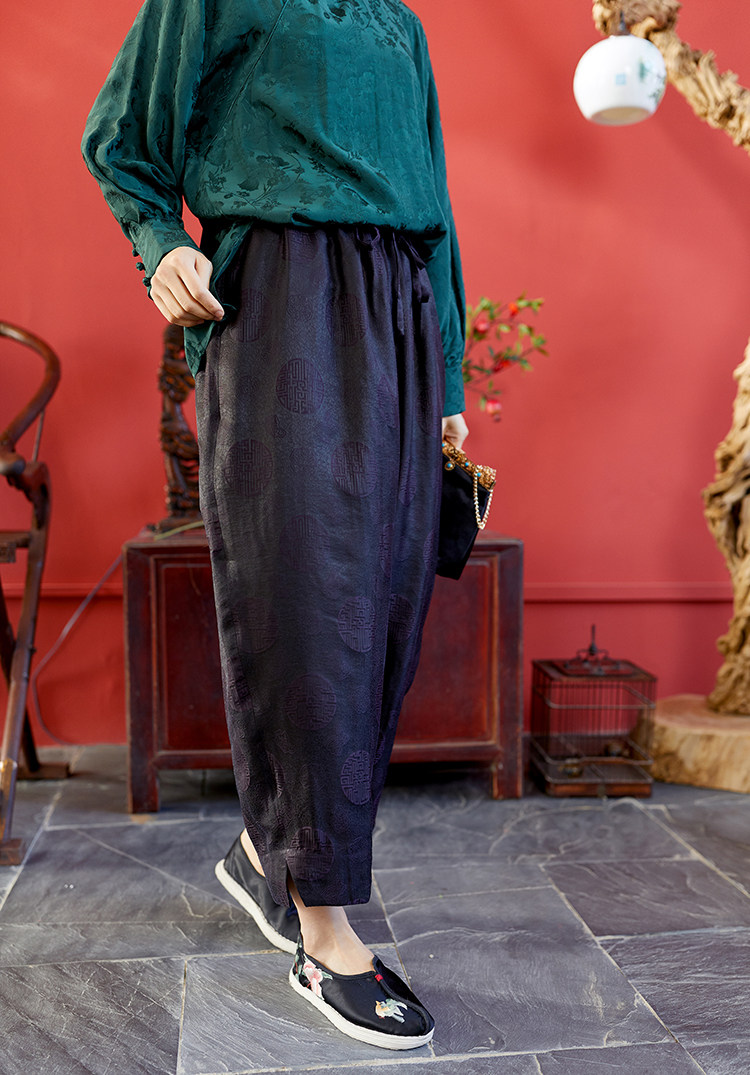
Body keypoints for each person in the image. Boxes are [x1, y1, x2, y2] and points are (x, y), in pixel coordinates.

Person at [82, 0, 469, 1051]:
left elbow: (435, 206)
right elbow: (121, 134)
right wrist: (162, 242)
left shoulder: (400, 24)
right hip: (283, 293)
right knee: (304, 599)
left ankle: (270, 854)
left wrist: (447, 377)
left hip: (399, 311)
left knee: (385, 605)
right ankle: (324, 928)